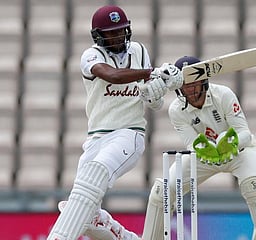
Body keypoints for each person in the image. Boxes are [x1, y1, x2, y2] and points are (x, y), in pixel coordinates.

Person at [47, 5, 183, 240]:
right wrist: (151, 73)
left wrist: (158, 89)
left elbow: (153, 102)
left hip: (129, 133)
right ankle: (116, 231)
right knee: (83, 210)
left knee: (97, 171)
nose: (117, 36)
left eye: (121, 30)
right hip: (97, 137)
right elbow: (112, 76)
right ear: (98, 35)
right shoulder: (90, 56)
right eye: (111, 32)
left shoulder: (139, 50)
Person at [140, 56, 256, 240]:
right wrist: (204, 149)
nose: (189, 89)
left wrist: (231, 142)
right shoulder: (176, 110)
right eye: (185, 84)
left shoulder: (224, 95)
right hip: (205, 156)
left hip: (238, 152)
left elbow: (245, 133)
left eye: (194, 83)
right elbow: (192, 144)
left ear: (204, 80)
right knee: (162, 190)